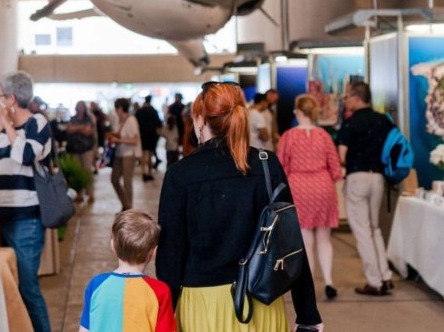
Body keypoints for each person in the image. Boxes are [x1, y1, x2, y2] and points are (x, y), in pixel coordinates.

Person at [156, 81, 323, 331]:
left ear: (200, 120)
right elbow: (289, 242)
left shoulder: (180, 175)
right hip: (261, 302)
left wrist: (164, 317)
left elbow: (171, 256)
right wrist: (308, 313)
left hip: (203, 307)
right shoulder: (267, 165)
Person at [0, 71, 52, 332]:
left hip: (26, 220)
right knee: (5, 287)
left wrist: (6, 125)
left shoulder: (37, 124)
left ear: (12, 99)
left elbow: (26, 155)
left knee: (27, 287)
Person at [277, 94, 343, 300]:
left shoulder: (288, 136)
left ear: (298, 111)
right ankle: (330, 281)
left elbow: (282, 167)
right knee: (324, 238)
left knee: (306, 240)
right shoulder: (324, 135)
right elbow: (335, 166)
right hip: (323, 187)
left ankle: (310, 284)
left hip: (299, 187)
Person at [337, 81, 395, 296]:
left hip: (357, 178)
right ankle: (386, 276)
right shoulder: (384, 121)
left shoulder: (350, 124)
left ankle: (374, 282)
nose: (345, 100)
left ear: (356, 97)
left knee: (362, 232)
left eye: (347, 96)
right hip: (378, 178)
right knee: (374, 228)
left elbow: (341, 157)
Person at [79, 210, 177, 332]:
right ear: (154, 252)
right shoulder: (160, 292)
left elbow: (84, 329)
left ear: (112, 245)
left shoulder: (96, 285)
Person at [110, 98, 141, 212]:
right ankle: (125, 203)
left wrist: (118, 140)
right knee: (114, 179)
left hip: (129, 154)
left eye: (116, 108)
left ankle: (129, 209)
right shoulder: (119, 120)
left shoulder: (131, 120)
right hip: (119, 153)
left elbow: (135, 140)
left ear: (120, 108)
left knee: (127, 181)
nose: (115, 111)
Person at [66, 101, 96, 203]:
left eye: (82, 106)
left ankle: (90, 194)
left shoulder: (89, 119)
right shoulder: (72, 118)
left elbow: (89, 131)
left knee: (87, 171)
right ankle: (79, 194)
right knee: (77, 173)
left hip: (87, 148)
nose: (80, 108)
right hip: (74, 149)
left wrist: (76, 128)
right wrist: (81, 127)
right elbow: (69, 129)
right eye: (78, 106)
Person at [135, 95, 162, 181]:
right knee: (150, 155)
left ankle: (144, 172)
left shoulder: (139, 112)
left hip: (142, 135)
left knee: (143, 154)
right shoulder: (154, 111)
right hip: (151, 135)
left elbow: (136, 124)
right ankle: (149, 173)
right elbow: (159, 124)